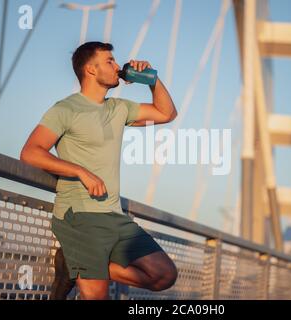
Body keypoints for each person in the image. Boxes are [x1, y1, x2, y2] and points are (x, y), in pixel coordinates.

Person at [20, 42, 178, 300]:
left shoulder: (119, 108)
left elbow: (166, 113)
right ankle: (81, 264)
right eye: (110, 61)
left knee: (163, 275)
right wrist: (80, 171)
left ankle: (73, 266)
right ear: (91, 70)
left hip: (114, 215)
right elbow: (30, 152)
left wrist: (152, 79)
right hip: (80, 215)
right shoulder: (65, 109)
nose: (118, 67)